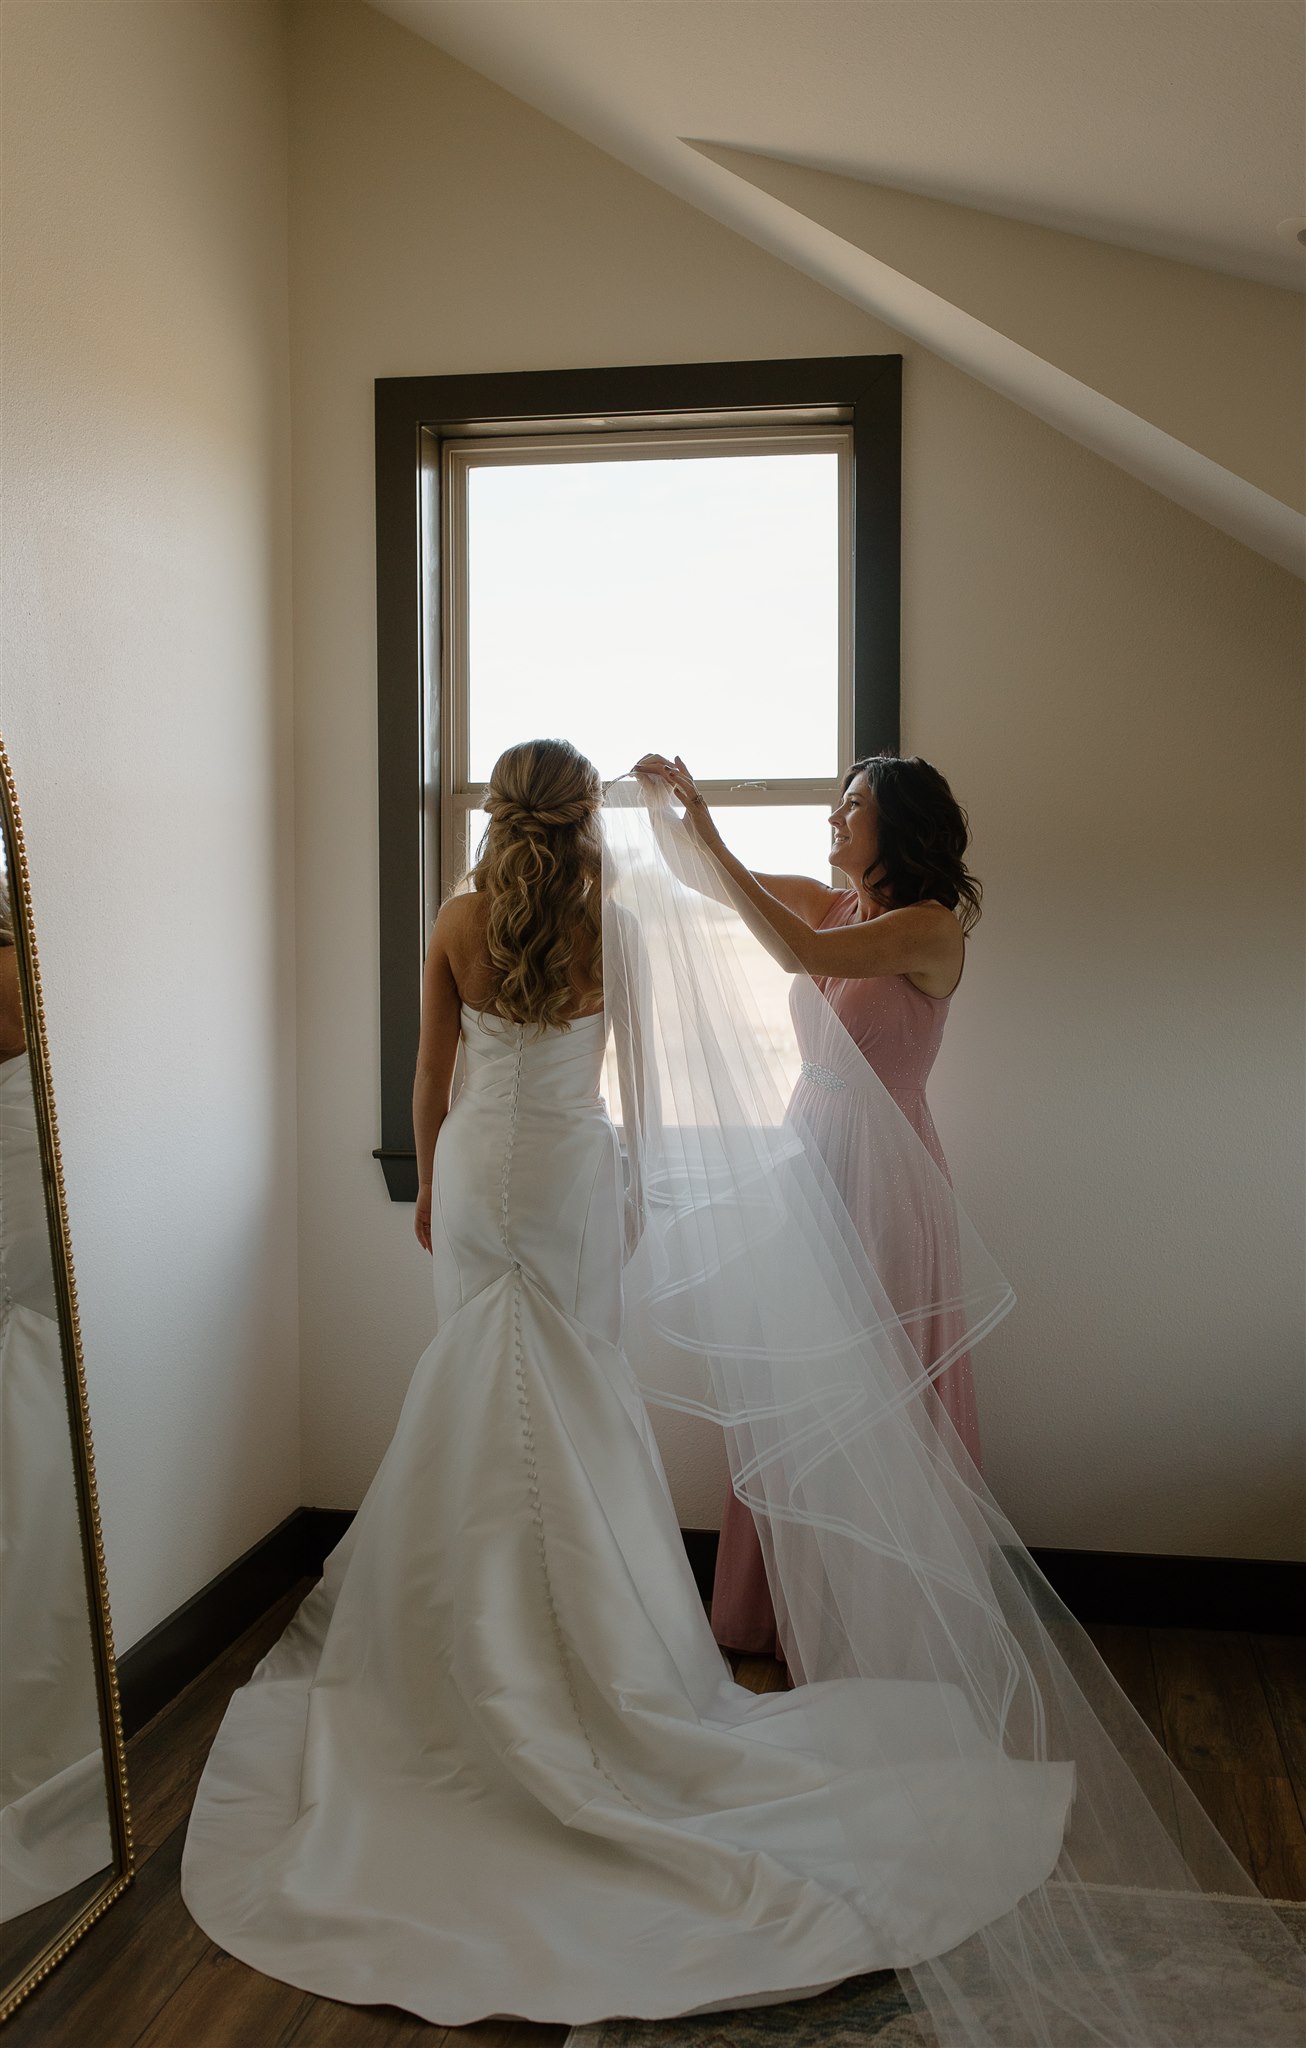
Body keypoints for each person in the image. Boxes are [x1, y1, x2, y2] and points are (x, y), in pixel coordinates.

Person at [181, 739, 1301, 2043]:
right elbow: (652, 1069)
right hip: (576, 1185)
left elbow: (434, 1080)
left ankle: (477, 1649)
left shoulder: (470, 918)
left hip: (516, 1175)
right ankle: (613, 1656)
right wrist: (683, 842)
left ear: (496, 814)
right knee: (577, 1402)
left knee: (478, 1399)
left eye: (847, 809)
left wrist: (431, 1180)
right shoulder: (641, 927)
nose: (833, 822)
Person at [632, 752, 982, 1661]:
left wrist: (706, 828)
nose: (834, 817)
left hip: (887, 1180)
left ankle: (875, 1620)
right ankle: (780, 1613)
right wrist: (675, 810)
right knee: (794, 1387)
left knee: (869, 1391)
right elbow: (705, 880)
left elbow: (798, 955)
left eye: (853, 805)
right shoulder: (834, 902)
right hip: (811, 1156)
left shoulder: (929, 929)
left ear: (897, 825)